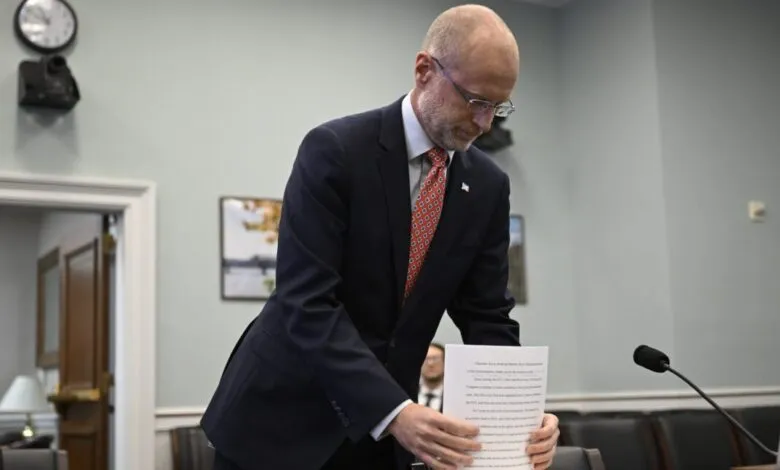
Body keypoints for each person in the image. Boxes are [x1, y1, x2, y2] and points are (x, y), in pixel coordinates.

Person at [201, 4, 560, 470]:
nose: (485, 123)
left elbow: (487, 315)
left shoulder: (488, 187)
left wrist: (519, 418)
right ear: (424, 70)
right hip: (279, 423)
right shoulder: (335, 151)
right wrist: (393, 411)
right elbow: (306, 301)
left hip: (381, 440)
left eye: (498, 106)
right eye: (475, 101)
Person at [418, 343, 445, 412]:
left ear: (445, 362)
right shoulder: (406, 393)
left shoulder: (453, 396)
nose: (430, 364)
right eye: (425, 359)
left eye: (435, 359)